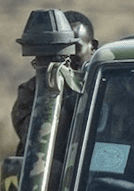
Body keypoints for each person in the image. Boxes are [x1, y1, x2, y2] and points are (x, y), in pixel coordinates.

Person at [11, 10, 98, 156]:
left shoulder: (104, 89)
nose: (67, 58)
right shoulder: (33, 90)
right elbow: (38, 142)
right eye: (61, 51)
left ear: (93, 46)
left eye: (74, 48)